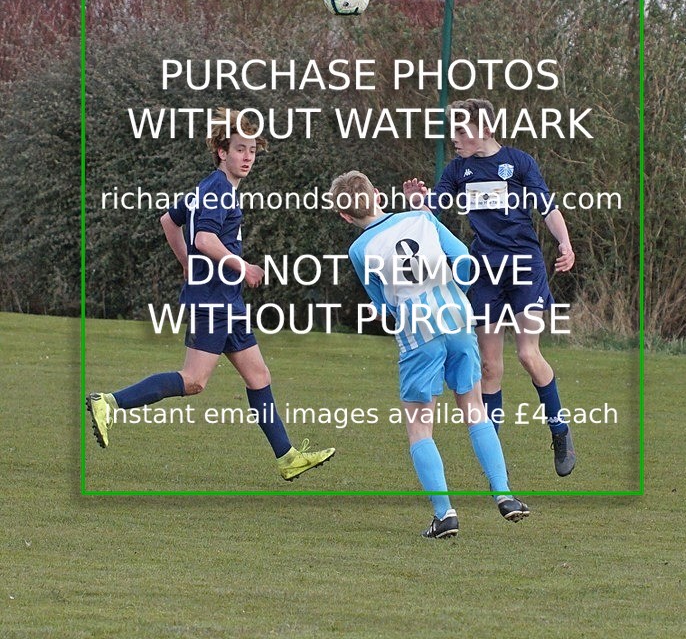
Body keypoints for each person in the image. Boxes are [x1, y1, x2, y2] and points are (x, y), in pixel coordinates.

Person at [86, 107, 335, 482]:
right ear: (222, 152)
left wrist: (187, 264)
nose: (247, 157)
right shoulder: (218, 191)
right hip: (213, 302)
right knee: (194, 381)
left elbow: (169, 221)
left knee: (258, 376)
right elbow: (204, 238)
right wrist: (241, 265)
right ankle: (108, 402)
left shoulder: (207, 188)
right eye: (239, 149)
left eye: (252, 150)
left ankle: (287, 458)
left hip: (225, 301)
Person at [329, 170, 529, 539]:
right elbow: (465, 259)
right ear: (377, 192)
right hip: (456, 321)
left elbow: (383, 305)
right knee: (474, 409)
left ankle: (444, 514)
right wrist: (455, 295)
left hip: (418, 335)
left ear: (345, 216)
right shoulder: (421, 217)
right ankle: (504, 495)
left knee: (420, 426)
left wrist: (388, 310)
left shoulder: (359, 251)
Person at [404, 97, 576, 476]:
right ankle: (494, 462)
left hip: (524, 267)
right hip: (485, 273)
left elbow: (547, 207)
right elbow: (431, 210)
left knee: (528, 356)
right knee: (489, 368)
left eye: (462, 131)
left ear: (485, 129)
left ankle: (560, 430)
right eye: (453, 131)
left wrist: (564, 243)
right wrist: (418, 202)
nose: (456, 138)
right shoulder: (457, 170)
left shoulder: (518, 163)